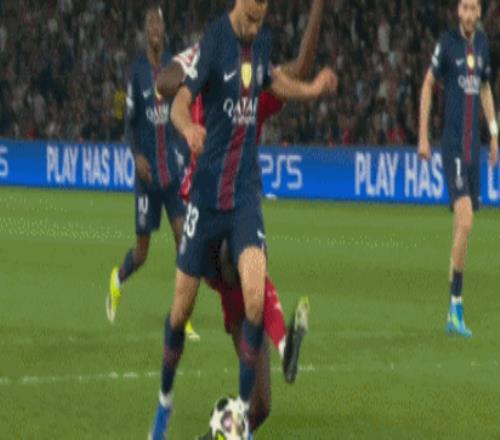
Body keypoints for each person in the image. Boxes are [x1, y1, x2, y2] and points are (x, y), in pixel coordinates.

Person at [148, 0, 337, 438]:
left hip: (242, 204)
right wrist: (195, 73)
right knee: (186, 306)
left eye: (260, 18)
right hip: (204, 206)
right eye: (249, 18)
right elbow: (167, 85)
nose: (254, 27)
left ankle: (238, 414)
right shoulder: (213, 52)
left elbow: (290, 73)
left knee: (260, 406)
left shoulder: (257, 76)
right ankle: (167, 403)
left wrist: (312, 83)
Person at [105, 7, 199, 341]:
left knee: (183, 242)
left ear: (164, 29)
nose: (155, 28)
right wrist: (136, 156)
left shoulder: (174, 68)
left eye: (159, 23)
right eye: (150, 24)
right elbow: (129, 125)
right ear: (145, 32)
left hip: (171, 173)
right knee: (142, 253)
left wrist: (185, 147)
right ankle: (118, 278)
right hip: (147, 177)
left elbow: (185, 108)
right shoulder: (137, 72)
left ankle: (181, 315)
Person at [418, 0, 498, 337]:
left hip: (472, 151)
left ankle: (451, 308)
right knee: (465, 220)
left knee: (462, 229)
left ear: (479, 13)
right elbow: (427, 84)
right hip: (452, 147)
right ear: (458, 12)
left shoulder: (483, 45)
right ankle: (455, 306)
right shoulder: (448, 43)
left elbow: (485, 88)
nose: (468, 13)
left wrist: (494, 133)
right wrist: (423, 136)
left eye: (473, 8)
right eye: (463, 7)